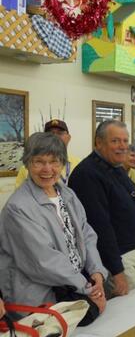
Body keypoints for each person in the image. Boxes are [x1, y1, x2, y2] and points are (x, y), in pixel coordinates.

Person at [0, 133, 107, 311]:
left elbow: (86, 235)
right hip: (38, 301)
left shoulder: (67, 195)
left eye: (54, 161)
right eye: (39, 161)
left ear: (63, 164)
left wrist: (96, 270)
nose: (47, 169)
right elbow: (44, 260)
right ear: (27, 163)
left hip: (72, 286)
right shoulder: (18, 208)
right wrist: (88, 289)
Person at [69, 120, 135, 297]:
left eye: (125, 141)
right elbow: (100, 227)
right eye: (115, 141)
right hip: (115, 260)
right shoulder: (87, 174)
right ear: (99, 143)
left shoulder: (115, 167)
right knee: (128, 313)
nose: (123, 146)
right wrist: (117, 272)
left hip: (130, 253)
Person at [15, 119, 80, 188]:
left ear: (68, 137)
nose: (55, 137)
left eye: (60, 133)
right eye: (50, 134)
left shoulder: (79, 164)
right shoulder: (27, 168)